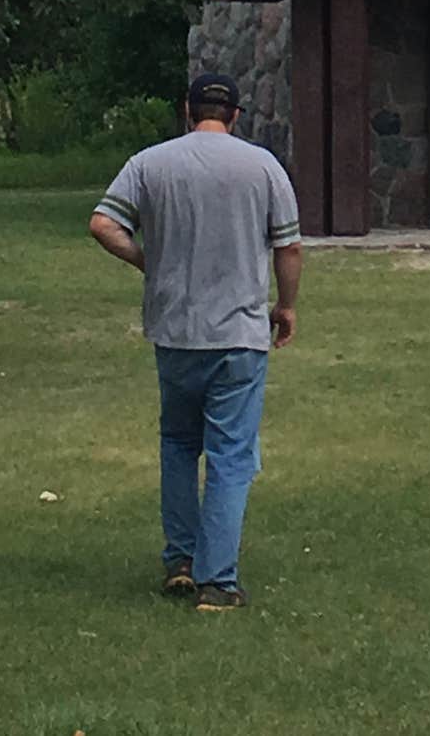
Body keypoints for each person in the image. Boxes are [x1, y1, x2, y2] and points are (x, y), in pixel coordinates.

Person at [88, 72, 303, 612]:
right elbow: (289, 248)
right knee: (231, 456)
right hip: (239, 335)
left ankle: (180, 560)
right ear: (235, 115)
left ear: (187, 110)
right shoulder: (263, 167)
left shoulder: (150, 163)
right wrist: (287, 305)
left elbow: (102, 224)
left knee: (180, 445)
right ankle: (218, 581)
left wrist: (148, 262)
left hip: (176, 332)